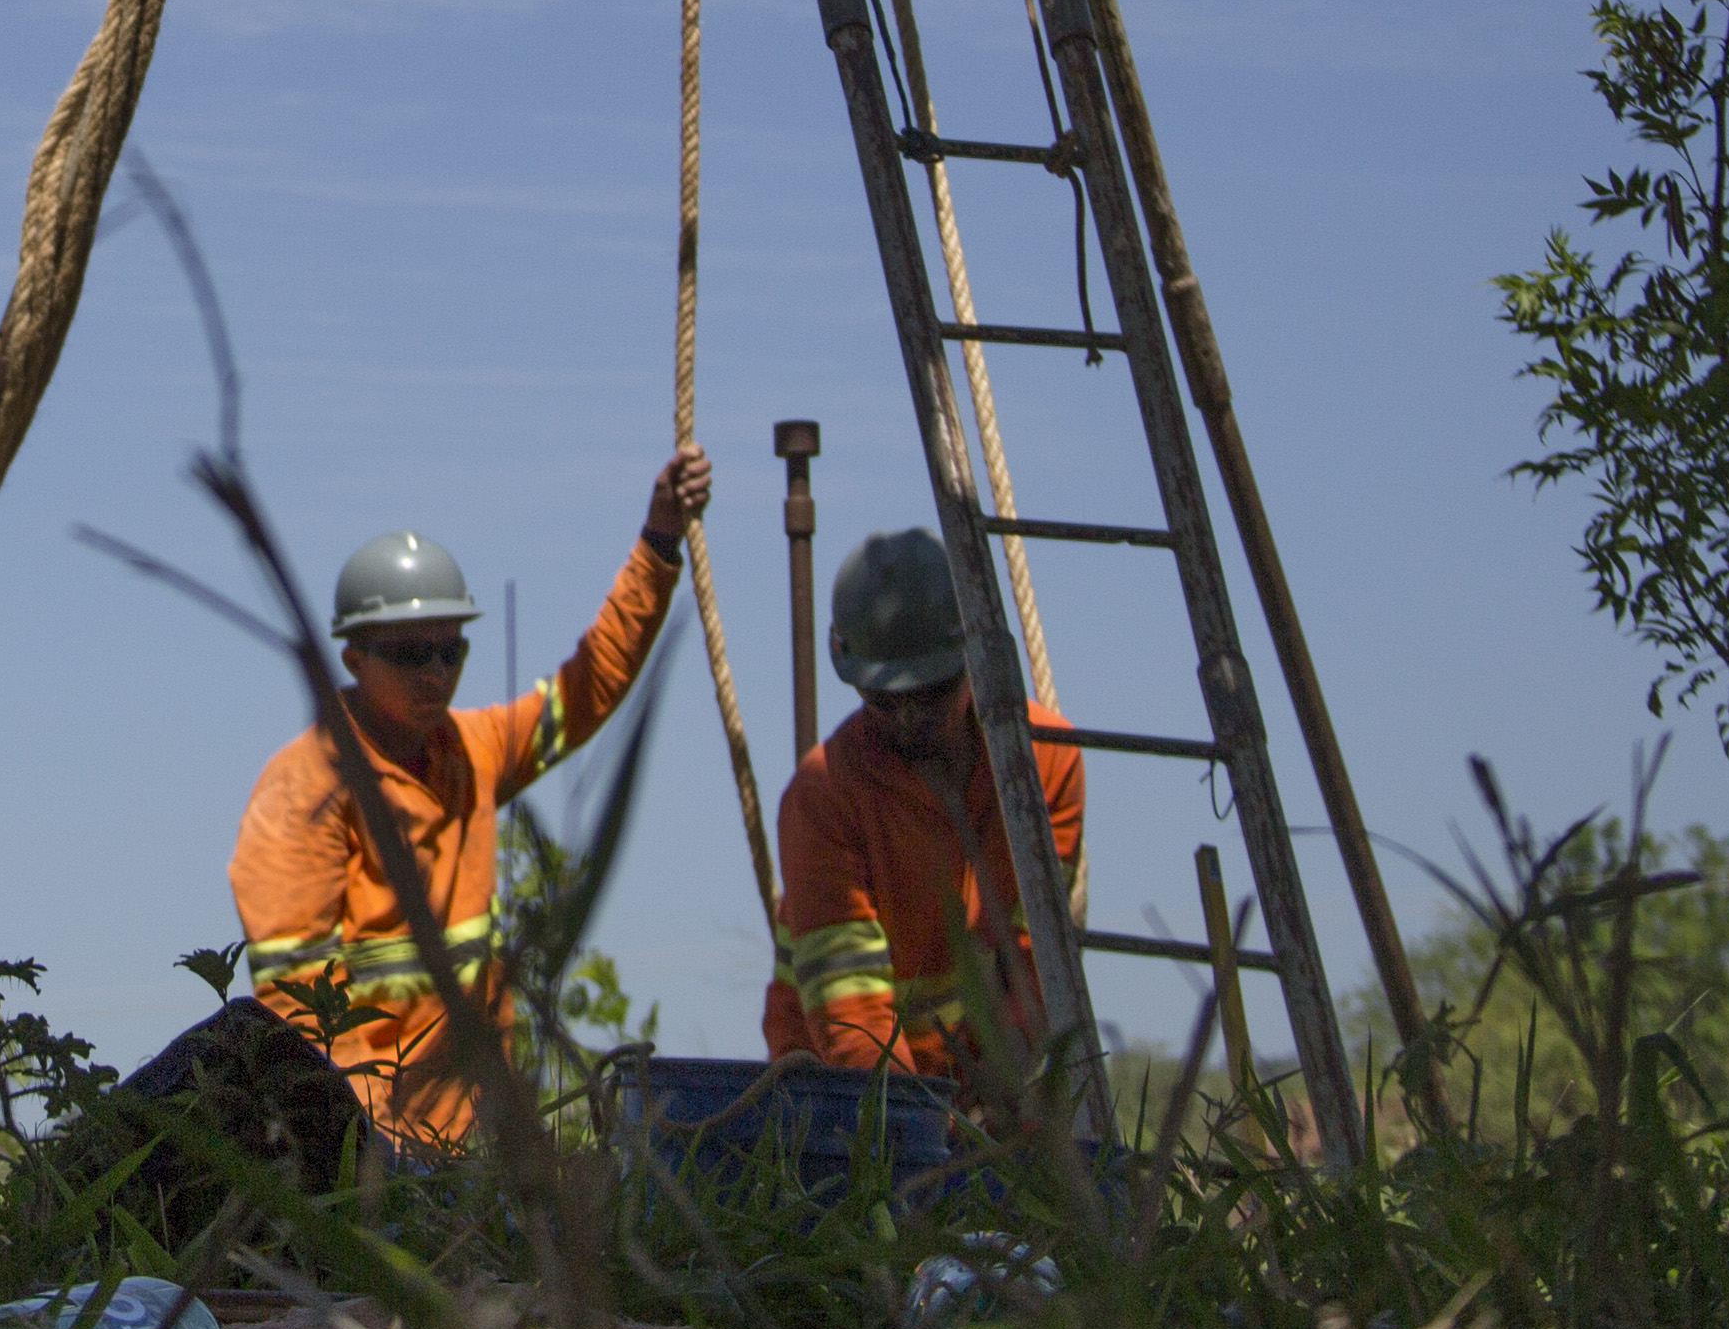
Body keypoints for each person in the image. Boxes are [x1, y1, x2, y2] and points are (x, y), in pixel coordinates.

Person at [227, 444, 711, 1151]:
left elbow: (588, 687)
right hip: (372, 1154)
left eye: (450, 652)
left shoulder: (472, 751)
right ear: (354, 656)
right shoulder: (303, 792)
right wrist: (379, 1152)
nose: (435, 674)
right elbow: (302, 1017)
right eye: (410, 654)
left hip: (480, 1146)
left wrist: (659, 541)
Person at [762, 526, 1091, 1107]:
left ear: (972, 661)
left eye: (933, 693)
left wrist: (994, 1102)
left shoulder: (1045, 764)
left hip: (973, 1090)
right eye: (885, 699)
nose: (910, 718)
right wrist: (916, 1135)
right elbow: (852, 1014)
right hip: (834, 1098)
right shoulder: (822, 800)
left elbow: (1033, 963)